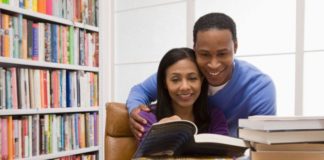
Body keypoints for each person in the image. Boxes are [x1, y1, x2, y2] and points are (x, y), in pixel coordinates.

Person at [127, 12, 276, 138]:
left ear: (235, 47)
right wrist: (135, 112)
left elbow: (261, 145)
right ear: (195, 49)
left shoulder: (260, 87)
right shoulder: (186, 72)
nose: (213, 64)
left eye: (222, 54)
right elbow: (141, 91)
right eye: (204, 54)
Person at [138, 47, 228, 143]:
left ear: (201, 80)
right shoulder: (147, 117)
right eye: (175, 80)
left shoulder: (215, 116)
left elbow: (227, 154)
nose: (185, 87)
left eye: (192, 78)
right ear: (165, 83)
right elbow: (148, 154)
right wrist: (160, 131)